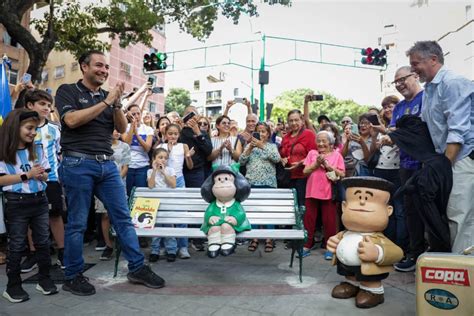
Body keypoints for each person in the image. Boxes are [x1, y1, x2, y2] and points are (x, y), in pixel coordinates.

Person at [55, 50, 165, 296]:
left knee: (123, 218)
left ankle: (136, 267)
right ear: (84, 67)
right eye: (99, 66)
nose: (104, 70)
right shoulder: (67, 91)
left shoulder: (109, 97)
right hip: (78, 163)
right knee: (77, 224)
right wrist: (105, 102)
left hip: (108, 165)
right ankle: (72, 275)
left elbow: (122, 127)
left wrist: (115, 103)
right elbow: (71, 121)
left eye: (106, 67)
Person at [407, 41, 474, 253]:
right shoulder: (429, 90)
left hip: (460, 159)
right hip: (443, 160)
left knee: (460, 216)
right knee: (444, 215)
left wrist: (442, 168)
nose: (413, 69)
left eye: (415, 64)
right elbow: (428, 125)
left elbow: (457, 131)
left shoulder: (453, 83)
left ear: (433, 59)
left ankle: (460, 273)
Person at [0, 109, 58, 303]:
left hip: (39, 200)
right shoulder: (2, 151)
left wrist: (42, 175)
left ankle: (44, 279)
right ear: (15, 127)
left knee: (43, 242)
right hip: (16, 203)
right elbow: (2, 180)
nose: (33, 132)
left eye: (34, 128)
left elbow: (46, 174)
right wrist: (28, 175)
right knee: (16, 245)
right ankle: (13, 286)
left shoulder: (38, 149)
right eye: (29, 128)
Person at [384, 66, 424, 272]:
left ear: (416, 75)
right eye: (396, 82)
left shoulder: (428, 98)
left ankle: (439, 255)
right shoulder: (398, 108)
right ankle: (415, 254)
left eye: (402, 79)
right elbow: (392, 133)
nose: (399, 84)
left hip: (427, 164)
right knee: (410, 212)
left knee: (432, 211)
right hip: (405, 166)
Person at [21, 90, 65, 272]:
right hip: (27, 180)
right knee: (30, 217)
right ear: (30, 105)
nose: (47, 108)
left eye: (48, 105)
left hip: (51, 180)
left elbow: (60, 153)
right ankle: (34, 254)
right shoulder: (20, 127)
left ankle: (63, 252)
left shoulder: (54, 129)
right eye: (42, 104)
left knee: (55, 215)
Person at [301, 131, 345, 259]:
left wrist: (327, 165)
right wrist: (316, 164)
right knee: (309, 220)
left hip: (328, 192)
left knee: (329, 221)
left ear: (331, 143)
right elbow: (305, 171)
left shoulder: (337, 155)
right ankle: (306, 246)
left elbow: (342, 174)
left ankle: (330, 248)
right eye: (318, 141)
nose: (320, 143)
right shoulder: (312, 153)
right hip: (311, 191)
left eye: (323, 141)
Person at [239, 122, 281, 252]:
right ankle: (255, 237)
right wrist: (250, 147)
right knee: (253, 211)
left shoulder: (272, 146)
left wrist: (262, 146)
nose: (261, 134)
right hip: (252, 183)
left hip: (268, 183)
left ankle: (269, 238)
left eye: (263, 131)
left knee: (268, 211)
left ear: (268, 134)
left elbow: (277, 159)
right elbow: (241, 161)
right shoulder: (249, 146)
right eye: (258, 131)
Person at [156, 123, 194, 259]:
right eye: (170, 133)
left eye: (175, 134)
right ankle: (163, 246)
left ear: (179, 135)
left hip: (179, 180)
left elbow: (189, 166)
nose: (172, 136)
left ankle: (183, 246)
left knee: (182, 213)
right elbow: (154, 164)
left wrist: (188, 156)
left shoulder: (183, 146)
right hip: (163, 181)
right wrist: (169, 151)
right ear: (165, 134)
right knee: (164, 214)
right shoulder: (160, 147)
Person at [94, 129, 131, 261]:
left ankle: (124, 245)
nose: (116, 132)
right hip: (102, 183)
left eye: (118, 129)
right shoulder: (101, 145)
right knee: (104, 215)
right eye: (113, 129)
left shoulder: (125, 146)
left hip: (119, 184)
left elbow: (125, 166)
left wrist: (116, 180)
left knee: (120, 215)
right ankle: (108, 245)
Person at [279, 109, 316, 207]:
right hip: (287, 178)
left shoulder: (308, 134)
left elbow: (315, 155)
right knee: (290, 207)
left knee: (301, 206)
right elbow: (282, 154)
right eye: (291, 121)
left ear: (302, 120)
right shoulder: (286, 137)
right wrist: (282, 159)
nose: (293, 123)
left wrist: (301, 162)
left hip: (303, 177)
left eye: (296, 120)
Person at [147, 148, 178, 262]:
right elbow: (150, 185)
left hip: (168, 203)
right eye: (160, 157)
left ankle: (171, 250)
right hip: (155, 204)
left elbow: (173, 184)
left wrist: (164, 172)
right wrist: (155, 171)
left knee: (169, 227)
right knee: (155, 228)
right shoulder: (150, 172)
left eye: (165, 158)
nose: (163, 160)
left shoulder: (170, 170)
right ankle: (155, 250)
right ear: (154, 159)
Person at [122, 104, 154, 197]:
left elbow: (147, 148)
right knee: (128, 194)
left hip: (142, 166)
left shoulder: (148, 129)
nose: (136, 116)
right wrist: (132, 127)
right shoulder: (125, 127)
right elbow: (126, 144)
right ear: (129, 116)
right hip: (128, 166)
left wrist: (137, 135)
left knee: (141, 195)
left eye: (138, 113)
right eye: (133, 114)